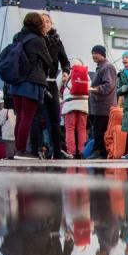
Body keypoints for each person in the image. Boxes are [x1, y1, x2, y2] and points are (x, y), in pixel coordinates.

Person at [8, 12, 53, 160]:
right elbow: (49, 61)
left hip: (16, 82)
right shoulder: (38, 40)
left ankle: (18, 149)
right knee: (27, 117)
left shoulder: (17, 37)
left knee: (20, 117)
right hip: (31, 82)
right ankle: (21, 151)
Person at [40, 12, 71, 159]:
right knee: (39, 119)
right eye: (43, 21)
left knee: (54, 119)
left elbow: (65, 61)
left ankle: (57, 151)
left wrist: (65, 72)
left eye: (48, 21)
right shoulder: (36, 39)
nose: (46, 23)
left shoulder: (57, 42)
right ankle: (39, 149)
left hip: (51, 83)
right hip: (39, 83)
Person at [88, 44, 118, 160]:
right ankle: (100, 152)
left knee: (100, 130)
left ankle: (98, 152)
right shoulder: (101, 67)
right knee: (99, 130)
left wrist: (94, 89)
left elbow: (108, 85)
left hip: (104, 107)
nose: (93, 55)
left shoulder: (107, 67)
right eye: (92, 53)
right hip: (100, 106)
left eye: (96, 53)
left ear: (102, 54)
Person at [61, 57, 90, 159]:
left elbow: (57, 85)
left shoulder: (67, 73)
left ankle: (71, 152)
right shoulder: (86, 74)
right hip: (83, 104)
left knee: (69, 129)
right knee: (82, 129)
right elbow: (89, 88)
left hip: (70, 104)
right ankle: (82, 152)